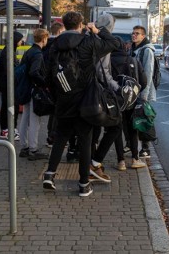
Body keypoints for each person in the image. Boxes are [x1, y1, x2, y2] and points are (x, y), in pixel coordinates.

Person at [42, 11, 120, 197]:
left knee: (61, 138)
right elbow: (115, 44)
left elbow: (48, 74)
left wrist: (58, 97)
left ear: (65, 25)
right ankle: (84, 184)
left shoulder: (54, 45)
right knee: (85, 141)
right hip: (86, 101)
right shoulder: (88, 42)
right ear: (81, 25)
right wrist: (98, 31)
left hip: (64, 100)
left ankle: (49, 175)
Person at [89, 13, 124, 181]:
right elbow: (103, 72)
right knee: (115, 125)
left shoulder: (87, 37)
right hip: (97, 92)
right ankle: (94, 164)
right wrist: (116, 88)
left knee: (88, 130)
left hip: (81, 90)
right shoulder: (105, 44)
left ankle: (51, 174)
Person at [111, 37, 147, 170]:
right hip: (130, 100)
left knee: (116, 129)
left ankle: (121, 161)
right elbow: (143, 81)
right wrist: (135, 93)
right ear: (124, 47)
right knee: (132, 130)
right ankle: (135, 159)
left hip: (114, 101)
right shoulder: (133, 60)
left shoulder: (108, 61)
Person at [17, 28, 50, 160]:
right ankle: (33, 149)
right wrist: (44, 84)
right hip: (33, 89)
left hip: (25, 88)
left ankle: (24, 147)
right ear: (43, 39)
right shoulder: (37, 54)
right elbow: (34, 72)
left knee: (25, 118)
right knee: (35, 120)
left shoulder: (29, 51)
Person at [130, 25, 156, 160]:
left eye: (137, 33)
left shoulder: (147, 51)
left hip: (142, 91)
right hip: (134, 90)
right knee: (135, 118)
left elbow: (148, 73)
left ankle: (145, 148)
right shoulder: (134, 49)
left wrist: (144, 95)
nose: (134, 35)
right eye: (133, 33)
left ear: (143, 36)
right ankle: (132, 144)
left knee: (143, 117)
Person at [0, 31, 24, 140]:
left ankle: (8, 129)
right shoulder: (8, 52)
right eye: (20, 39)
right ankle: (8, 129)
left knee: (8, 106)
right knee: (10, 106)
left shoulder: (9, 50)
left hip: (7, 83)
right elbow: (11, 69)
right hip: (8, 84)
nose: (22, 41)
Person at [43, 22, 64, 148]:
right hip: (56, 82)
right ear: (60, 31)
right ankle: (53, 137)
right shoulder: (57, 45)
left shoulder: (45, 44)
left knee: (53, 112)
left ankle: (50, 136)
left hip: (48, 82)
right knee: (57, 112)